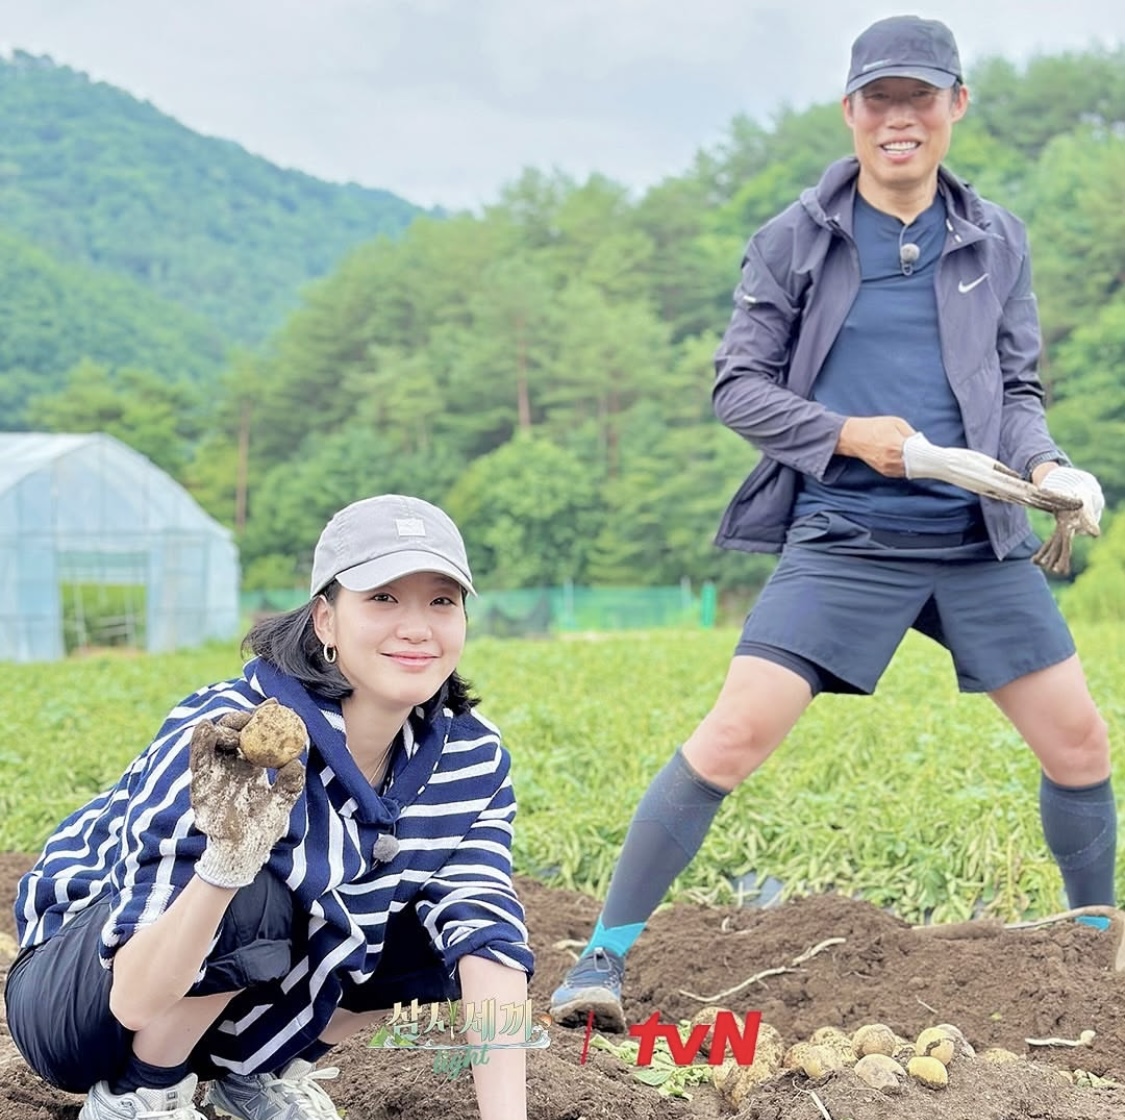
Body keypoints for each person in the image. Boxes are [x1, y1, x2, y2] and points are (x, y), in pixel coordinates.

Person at [550, 14, 1115, 1032]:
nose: (902, 119)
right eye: (881, 100)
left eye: (923, 99)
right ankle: (602, 956)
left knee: (1079, 741)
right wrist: (855, 437)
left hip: (976, 536)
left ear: (956, 108)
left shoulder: (996, 238)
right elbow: (739, 389)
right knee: (731, 737)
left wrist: (1045, 465)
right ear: (851, 111)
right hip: (848, 530)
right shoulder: (795, 239)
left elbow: (1017, 383)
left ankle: (1092, 949)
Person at [7, 494, 534, 1119]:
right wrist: (222, 869)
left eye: (441, 601)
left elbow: (487, 933)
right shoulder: (233, 732)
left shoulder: (470, 755)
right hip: (85, 995)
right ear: (325, 621)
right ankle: (144, 1093)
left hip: (223, 1009)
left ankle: (260, 1076)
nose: (417, 627)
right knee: (252, 892)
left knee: (440, 939)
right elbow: (133, 998)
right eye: (383, 599)